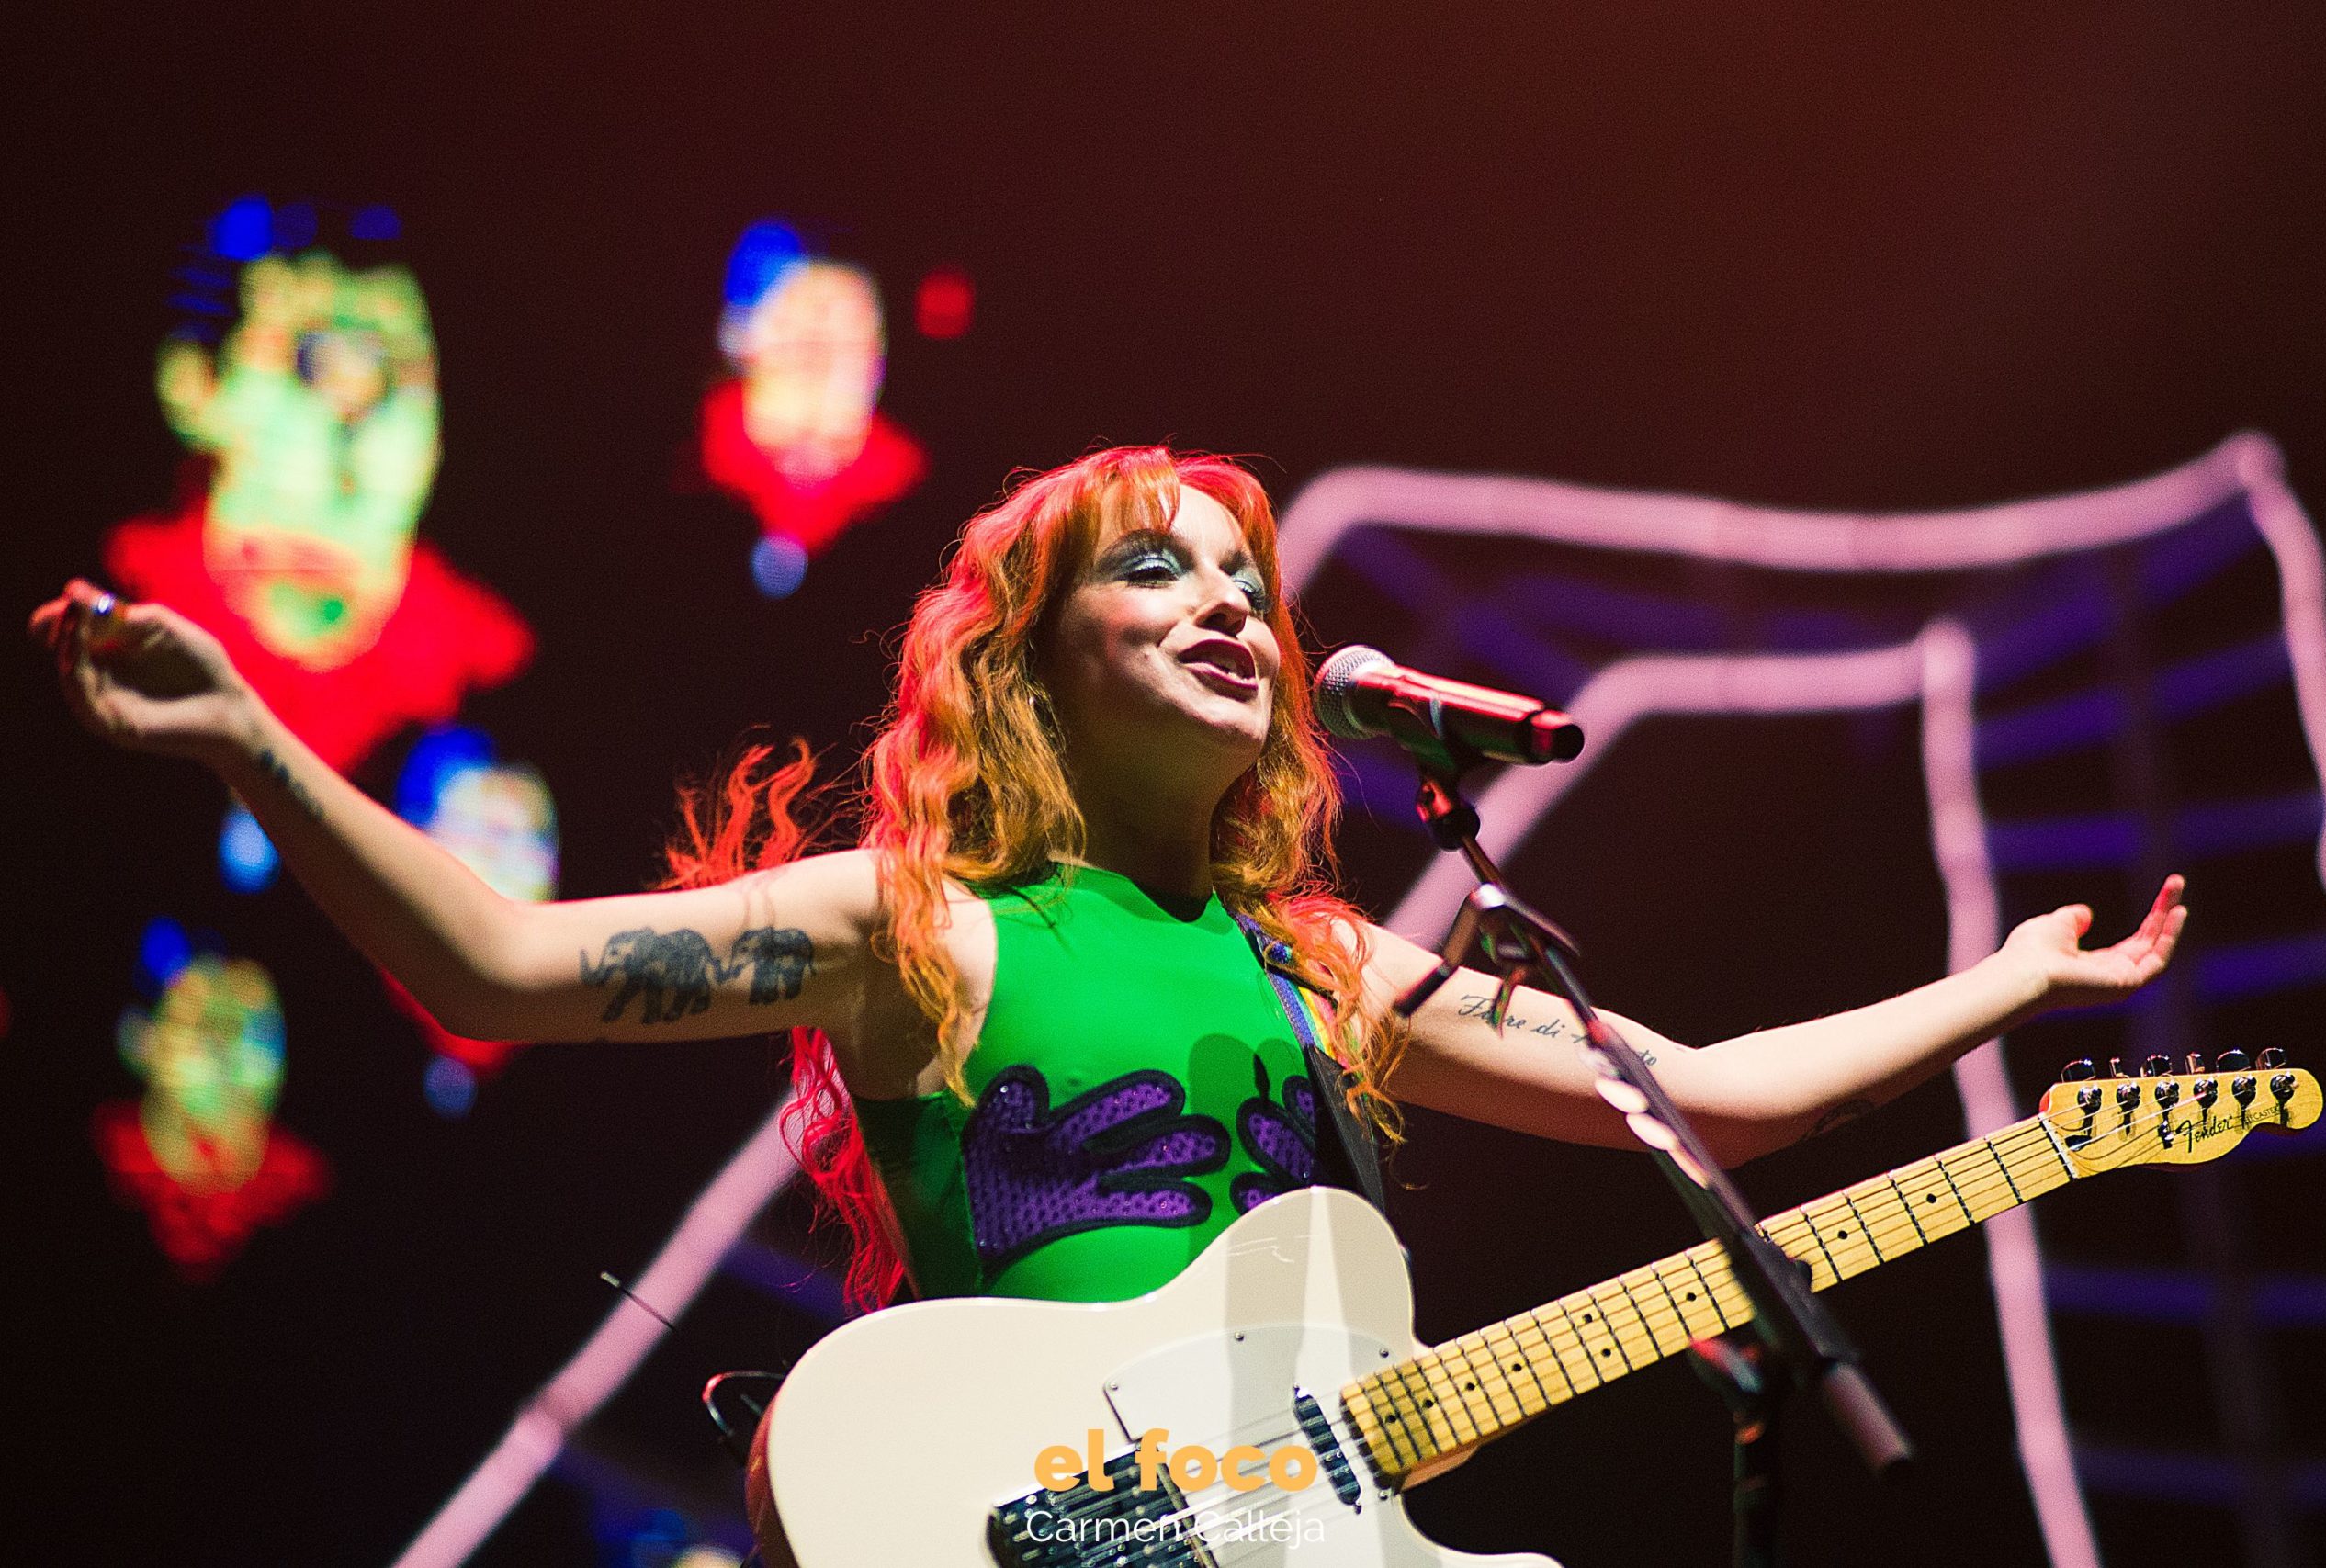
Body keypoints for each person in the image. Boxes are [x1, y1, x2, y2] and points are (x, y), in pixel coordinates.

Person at [31, 445, 2186, 1562]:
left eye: (1249, 577)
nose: (1231, 603)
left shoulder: (1320, 957)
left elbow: (1703, 1096)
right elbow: (495, 967)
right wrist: (253, 741)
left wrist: (2006, 979)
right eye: (1158, 568)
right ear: (1029, 653)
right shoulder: (921, 924)